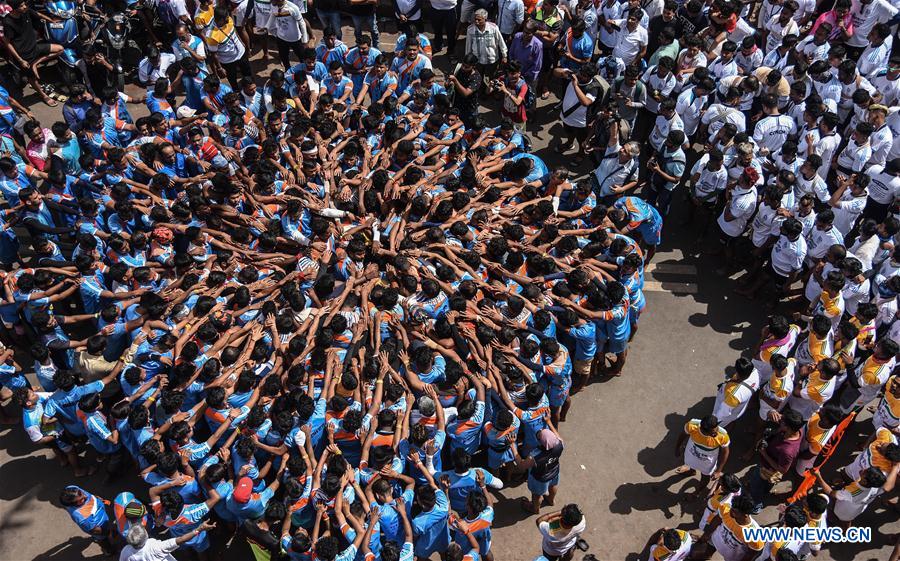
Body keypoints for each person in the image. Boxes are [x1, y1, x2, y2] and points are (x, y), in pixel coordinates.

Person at [120, 520, 216, 561]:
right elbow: (181, 539)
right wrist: (198, 529)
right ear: (146, 535)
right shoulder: (155, 547)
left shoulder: (125, 551)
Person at [465, 9, 507, 84]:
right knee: (478, 78)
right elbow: (468, 45)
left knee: (492, 78)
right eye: (475, 19)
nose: (476, 22)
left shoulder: (493, 28)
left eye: (479, 20)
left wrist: (504, 56)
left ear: (485, 19)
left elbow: (501, 42)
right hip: (477, 61)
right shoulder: (470, 29)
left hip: (492, 59)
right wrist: (468, 59)